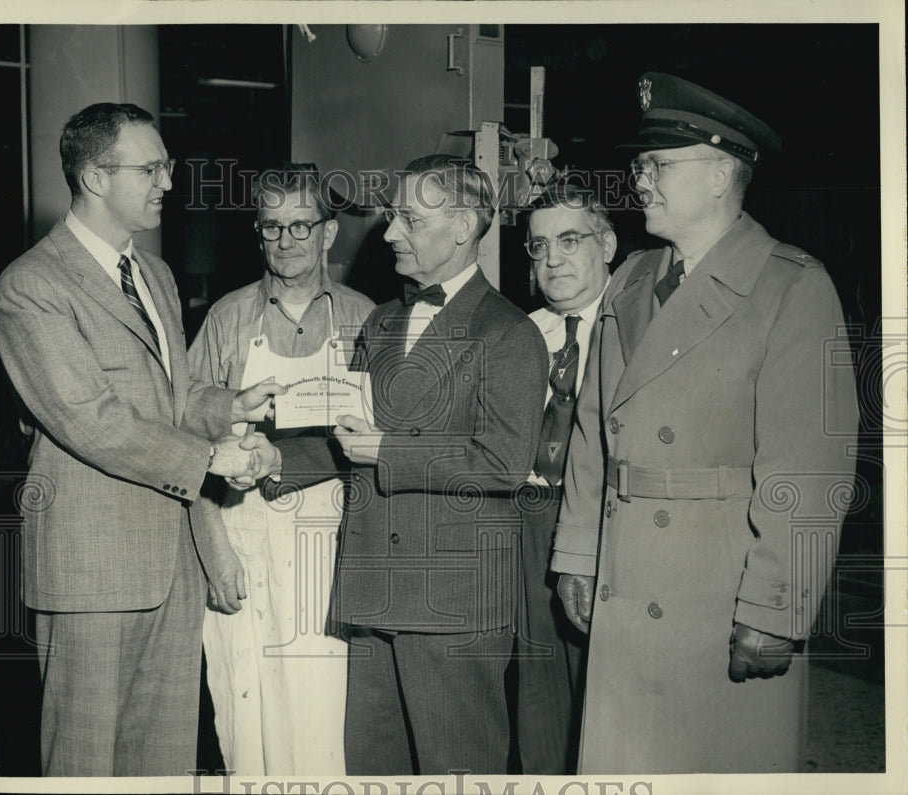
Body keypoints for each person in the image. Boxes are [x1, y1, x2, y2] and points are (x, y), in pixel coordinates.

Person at [551, 72, 860, 773]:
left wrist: (775, 606)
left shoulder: (791, 285)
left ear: (722, 173)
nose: (641, 179)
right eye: (639, 164)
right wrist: (575, 550)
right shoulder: (630, 278)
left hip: (717, 596)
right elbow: (595, 432)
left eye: (658, 164)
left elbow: (808, 471)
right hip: (625, 579)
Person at [0, 102, 281, 776]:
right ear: (95, 177)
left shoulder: (155, 275)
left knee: (163, 762)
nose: (169, 183)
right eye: (151, 168)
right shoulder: (31, 285)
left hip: (170, 562)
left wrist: (228, 404)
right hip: (91, 569)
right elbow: (89, 417)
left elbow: (171, 398)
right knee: (85, 762)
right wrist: (212, 457)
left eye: (167, 166)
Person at [268, 154, 548, 774]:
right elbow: (349, 438)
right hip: (371, 588)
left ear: (463, 225)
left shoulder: (510, 334)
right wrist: (271, 461)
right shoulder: (382, 321)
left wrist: (390, 451)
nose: (391, 232)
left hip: (453, 599)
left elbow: (502, 462)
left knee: (458, 769)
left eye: (409, 220)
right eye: (394, 217)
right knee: (374, 768)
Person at [188, 163, 375, 775]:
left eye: (301, 225)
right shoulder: (228, 319)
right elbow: (187, 440)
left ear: (329, 234)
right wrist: (213, 550)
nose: (286, 240)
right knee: (246, 722)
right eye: (272, 227)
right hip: (244, 538)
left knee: (325, 725)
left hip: (333, 545)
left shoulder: (365, 320)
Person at [515, 177, 615, 774]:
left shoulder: (639, 334)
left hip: (605, 524)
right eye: (538, 245)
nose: (551, 259)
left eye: (569, 240)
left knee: (601, 689)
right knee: (538, 691)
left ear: (606, 244)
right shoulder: (522, 336)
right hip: (527, 524)